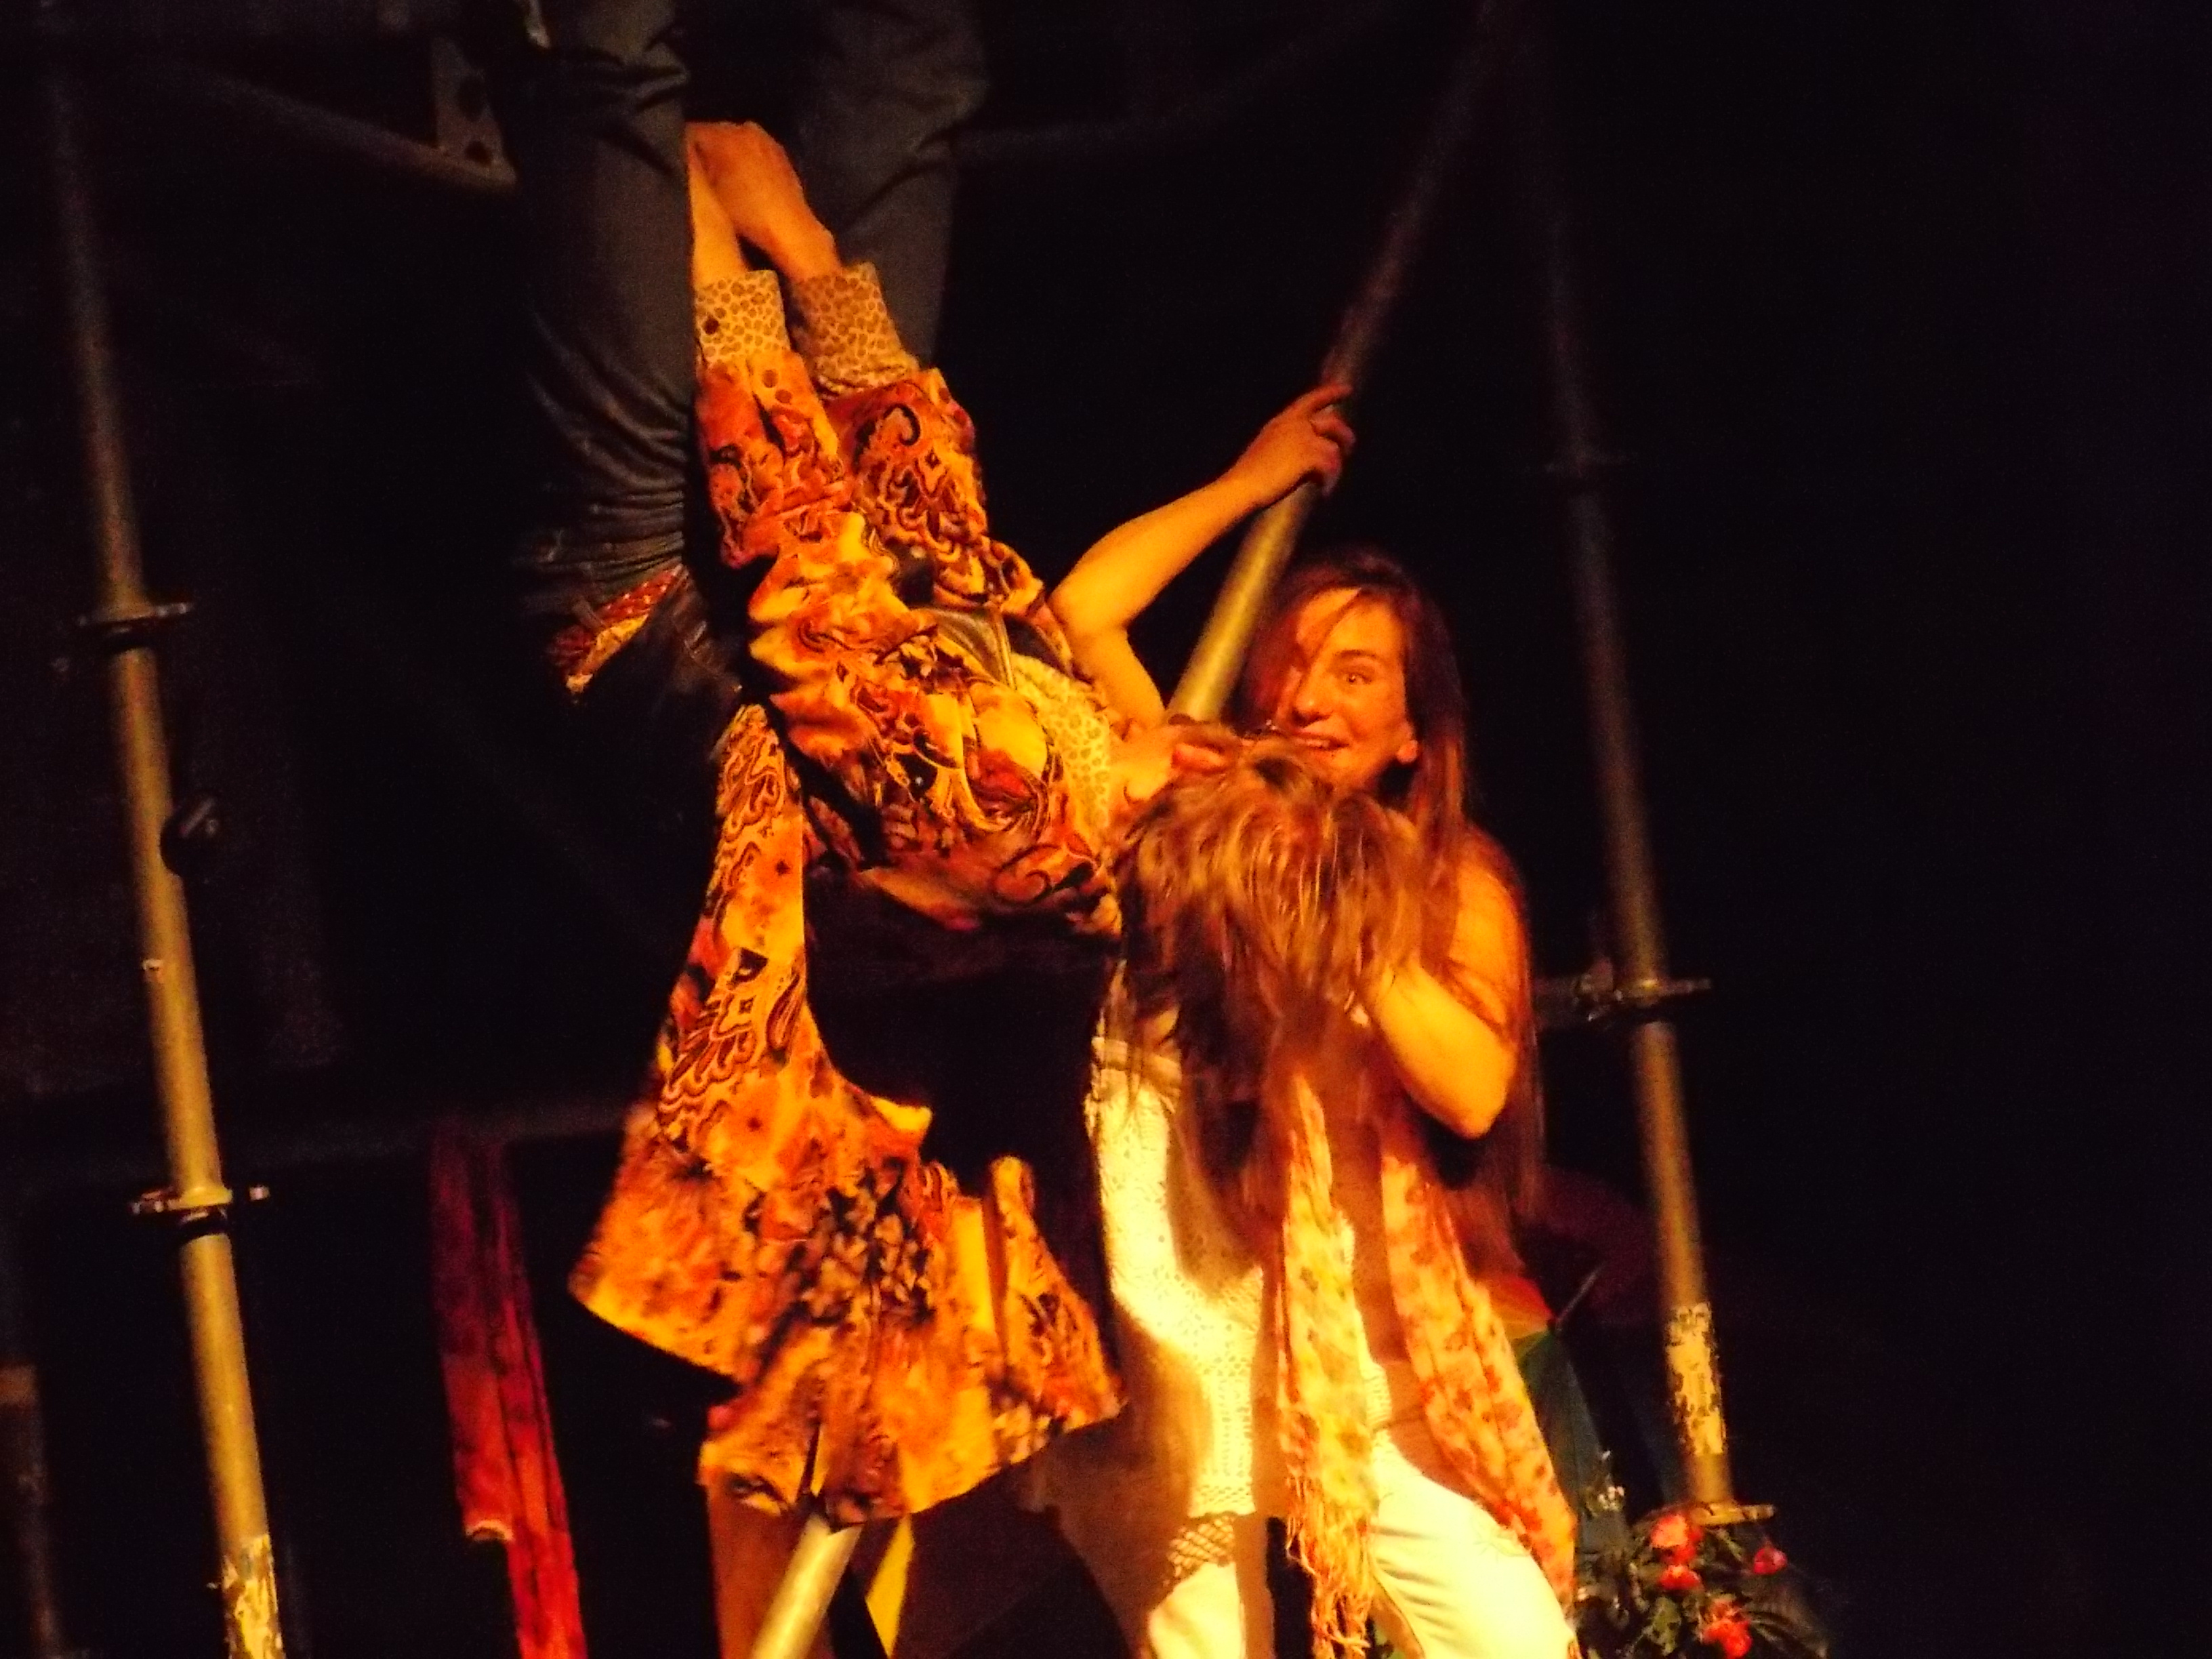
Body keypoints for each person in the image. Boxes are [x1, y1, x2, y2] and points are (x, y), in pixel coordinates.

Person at [552, 118, 1353, 1631]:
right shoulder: (1087, 781)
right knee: (870, 130)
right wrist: (809, 256)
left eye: (1233, 747)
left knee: (635, 114)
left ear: (1196, 770)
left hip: (650, 598)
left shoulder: (1010, 807)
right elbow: (961, 550)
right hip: (777, 563)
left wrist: (733, 276)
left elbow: (806, 560)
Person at [1032, 547, 1584, 1658]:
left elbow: (1472, 1092)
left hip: (1360, 1365)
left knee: (1513, 1641)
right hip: (1186, 1339)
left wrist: (1343, 913)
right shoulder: (1205, 814)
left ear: (1413, 732)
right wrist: (1259, 479)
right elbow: (1087, 613)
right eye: (1289, 663)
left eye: (1356, 673)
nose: (1309, 696)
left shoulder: (1446, 879)